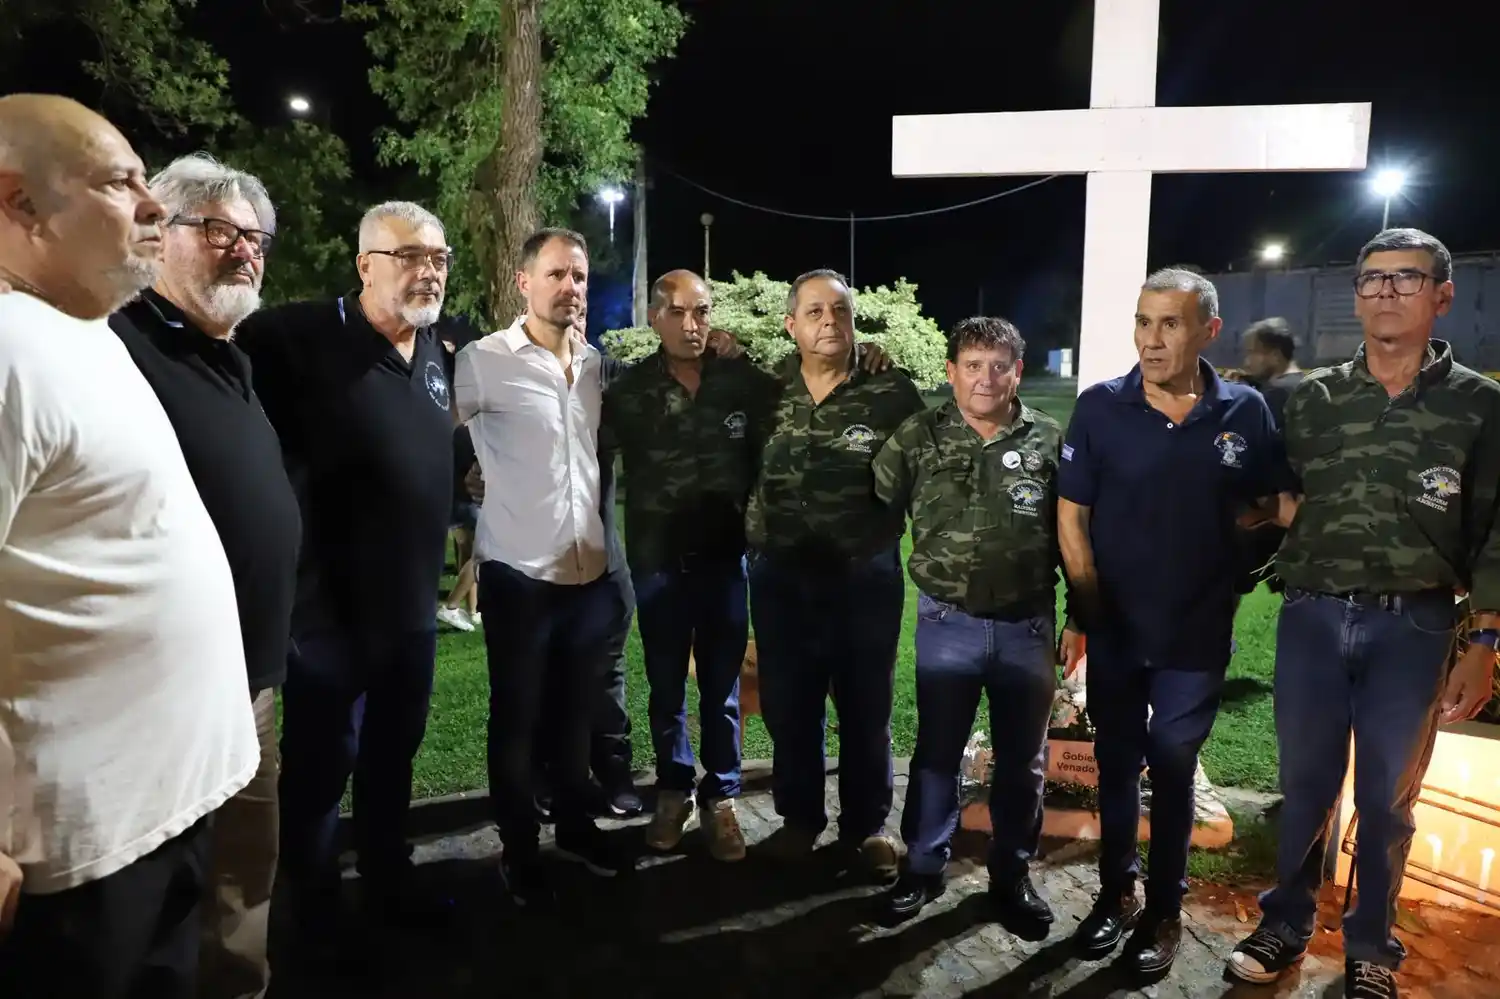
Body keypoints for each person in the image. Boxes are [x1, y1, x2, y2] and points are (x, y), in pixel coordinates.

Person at [0, 94, 258, 999]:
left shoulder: (83, 328)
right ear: (19, 203)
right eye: (120, 182)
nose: (153, 205)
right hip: (85, 849)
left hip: (165, 809)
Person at [1228, 229, 1500, 999]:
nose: (1384, 292)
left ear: (1442, 295)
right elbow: (1268, 497)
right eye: (1371, 279)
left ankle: (1371, 945)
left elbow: (1494, 530)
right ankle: (1284, 922)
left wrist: (1484, 639)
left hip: (1412, 626)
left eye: (1405, 279)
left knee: (1387, 798)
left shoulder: (1480, 407)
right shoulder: (1311, 398)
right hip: (1313, 616)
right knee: (1306, 784)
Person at [235, 201, 456, 949]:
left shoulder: (435, 353)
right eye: (410, 255)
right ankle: (316, 908)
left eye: (439, 257)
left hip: (412, 612)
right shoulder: (291, 338)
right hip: (326, 614)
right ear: (366, 264)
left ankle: (391, 880)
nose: (428, 269)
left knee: (394, 757)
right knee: (320, 772)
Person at [1056, 268, 1282, 976]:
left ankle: (1164, 908)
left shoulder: (1245, 411)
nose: (1152, 340)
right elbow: (1072, 516)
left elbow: (1270, 505)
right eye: (1143, 322)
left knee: (1175, 766)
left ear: (1208, 330)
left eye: (1170, 324)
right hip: (1119, 631)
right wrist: (1088, 609)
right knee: (1118, 764)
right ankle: (1116, 892)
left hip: (1196, 634)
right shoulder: (1099, 408)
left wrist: (1235, 565)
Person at [115, 153, 299, 999]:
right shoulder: (117, 347)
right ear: (159, 234)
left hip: (250, 687)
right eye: (219, 231)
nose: (243, 251)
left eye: (254, 237)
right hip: (153, 700)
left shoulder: (232, 355)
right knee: (157, 904)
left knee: (241, 881)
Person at [872, 317, 1081, 929]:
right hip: (947, 622)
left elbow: (1074, 535)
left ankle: (1011, 876)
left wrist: (1079, 615)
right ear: (950, 372)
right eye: (972, 365)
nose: (985, 378)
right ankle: (923, 868)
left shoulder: (1047, 438)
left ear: (1017, 371)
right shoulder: (917, 436)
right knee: (937, 753)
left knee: (1024, 760)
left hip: (1026, 627)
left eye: (998, 366)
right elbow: (873, 505)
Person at [454, 228, 627, 907]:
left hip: (586, 576)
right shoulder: (483, 360)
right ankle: (519, 849)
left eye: (579, 276)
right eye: (556, 273)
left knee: (574, 714)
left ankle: (578, 828)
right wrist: (464, 478)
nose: (571, 286)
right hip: (519, 575)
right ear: (524, 282)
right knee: (517, 720)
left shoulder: (594, 364)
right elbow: (434, 433)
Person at [746, 268, 927, 882]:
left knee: (864, 705)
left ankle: (868, 828)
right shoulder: (760, 390)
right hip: (781, 577)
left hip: (863, 576)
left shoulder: (890, 391)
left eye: (842, 312)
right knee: (790, 706)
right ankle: (800, 822)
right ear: (791, 324)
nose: (830, 322)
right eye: (816, 312)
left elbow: (924, 476)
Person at [600, 269, 779, 861]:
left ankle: (721, 796)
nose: (691, 324)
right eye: (677, 312)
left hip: (726, 563)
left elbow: (804, 399)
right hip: (658, 565)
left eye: (701, 311)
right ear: (654, 318)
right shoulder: (627, 393)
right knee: (667, 686)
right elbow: (574, 448)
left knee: (724, 688)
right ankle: (674, 791)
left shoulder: (741, 383)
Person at [1239, 317, 1303, 428]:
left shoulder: (1275, 394)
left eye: (1252, 353)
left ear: (1275, 355)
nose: (1247, 363)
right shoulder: (1302, 383)